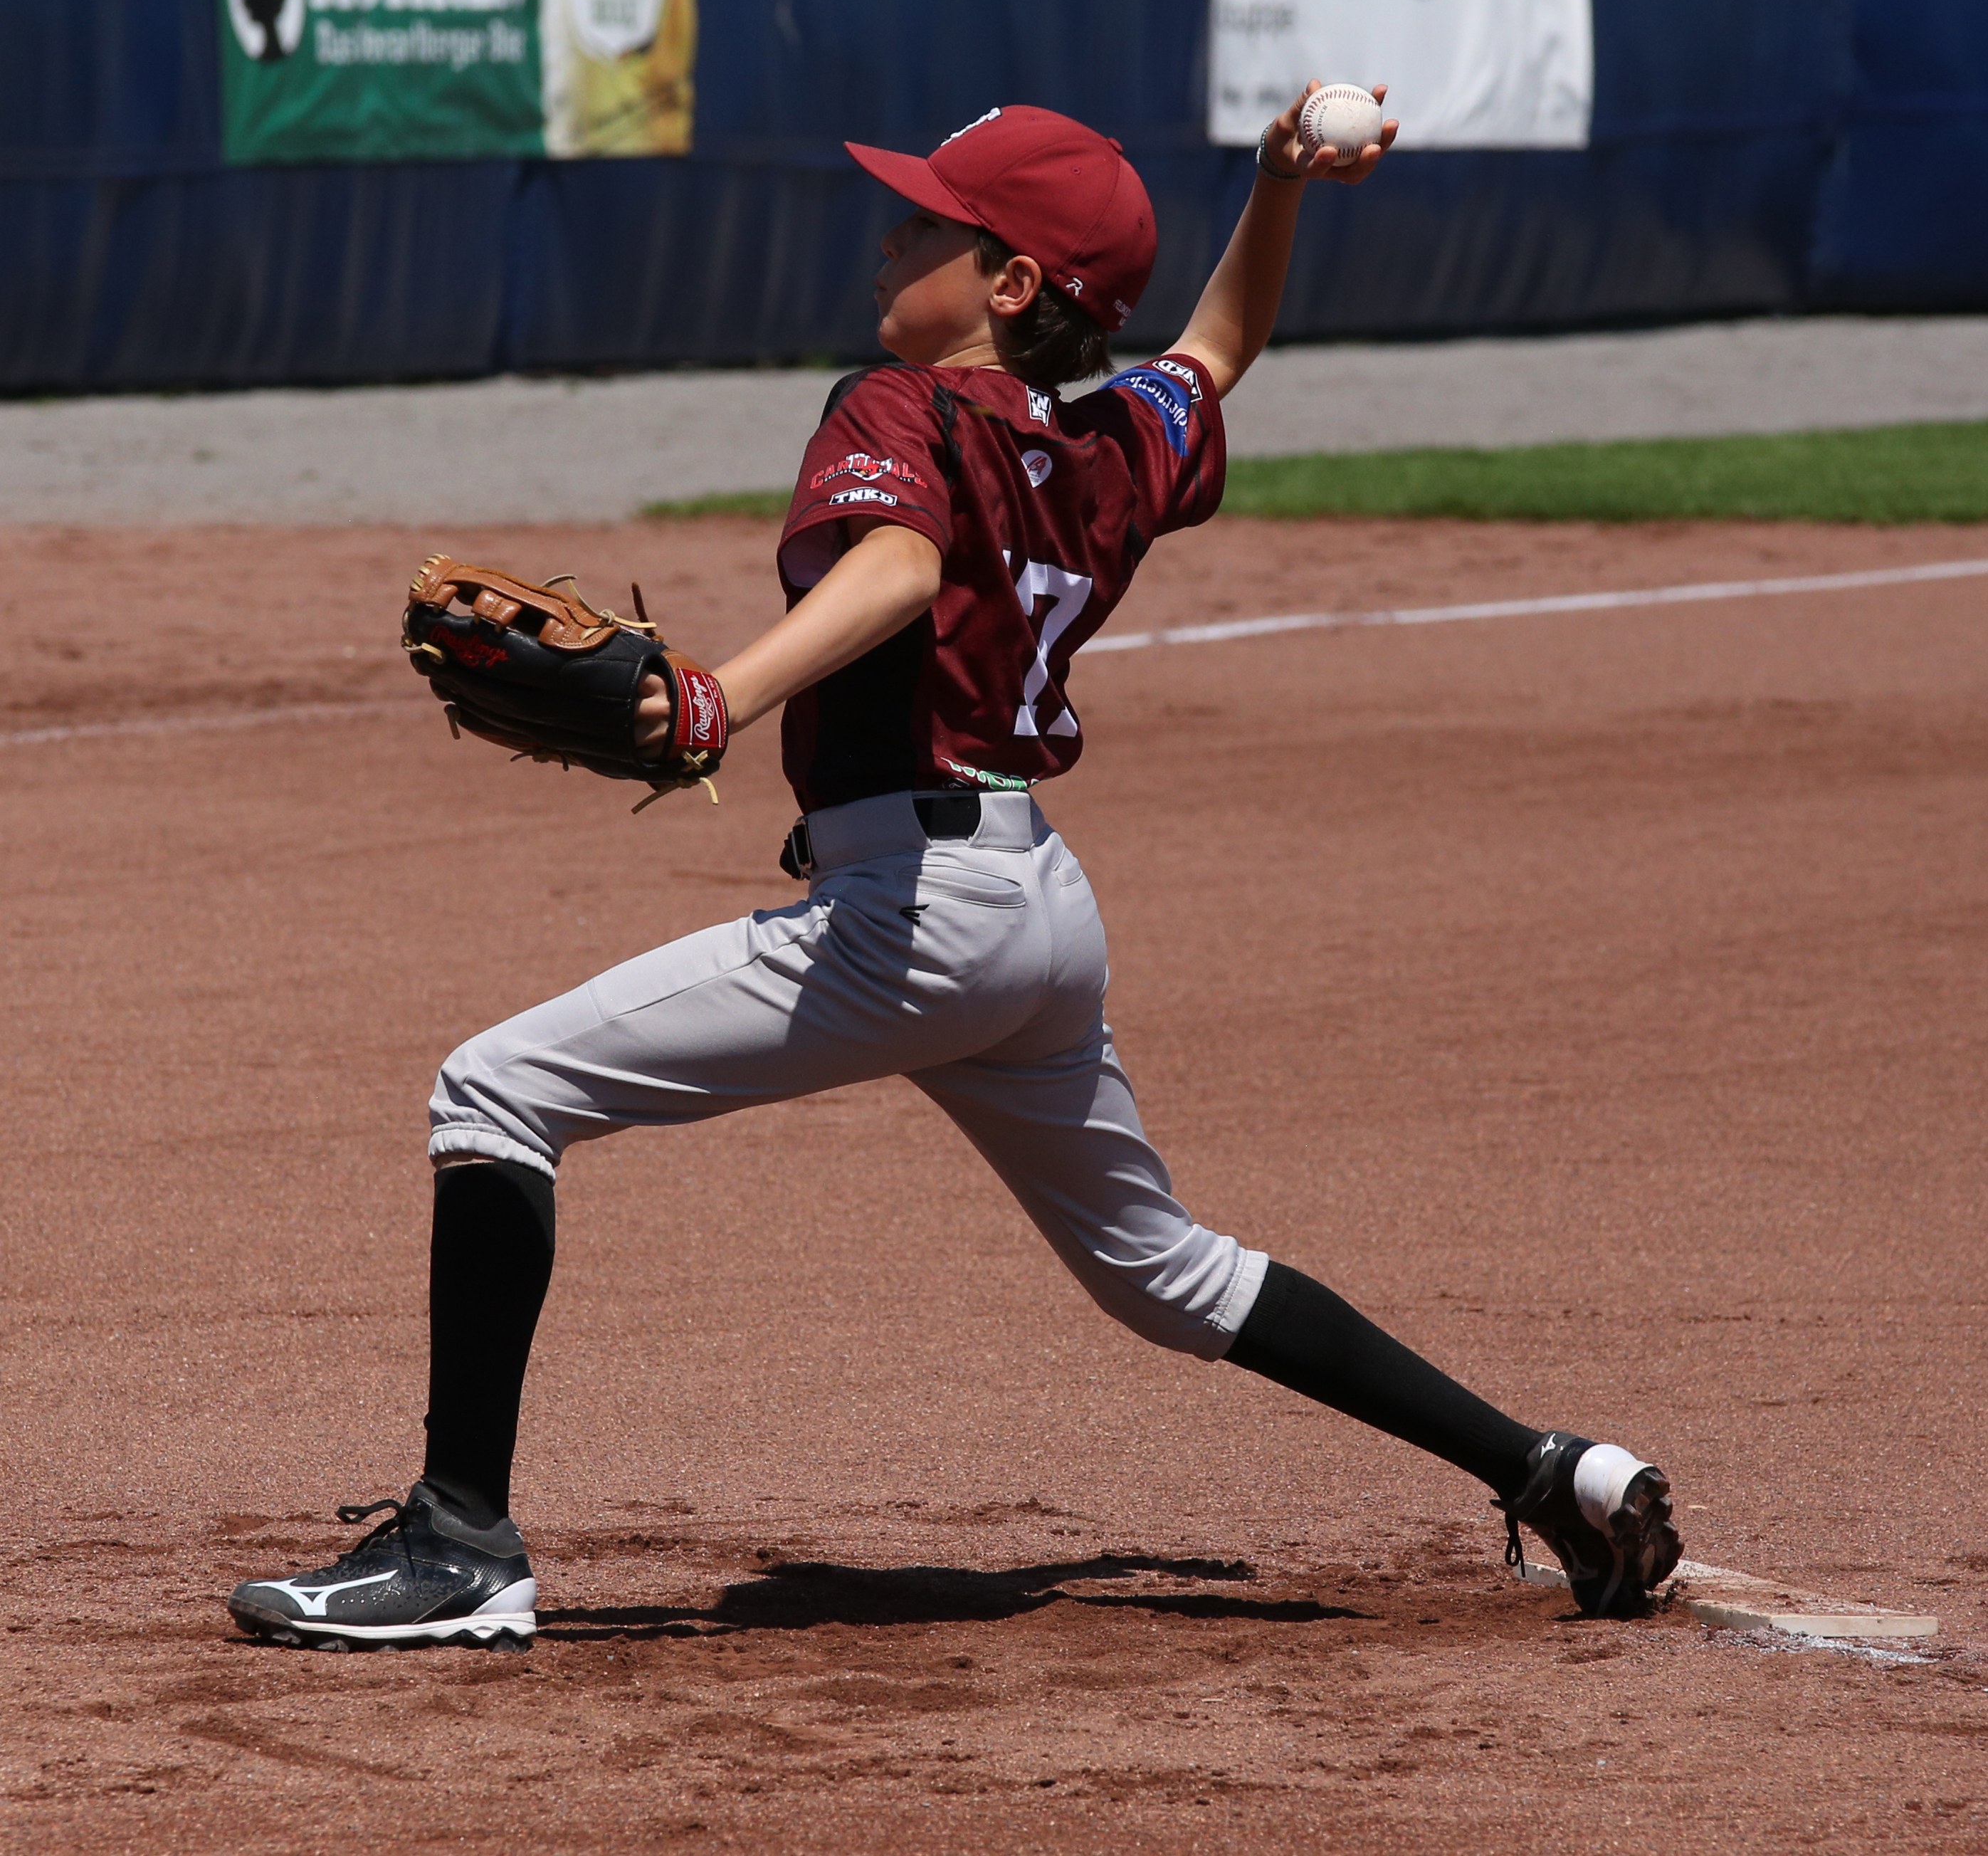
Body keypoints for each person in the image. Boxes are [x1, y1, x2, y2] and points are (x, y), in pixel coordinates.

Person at [228, 87, 1680, 1652]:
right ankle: (1552, 1469)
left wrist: (720, 694)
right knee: (1164, 1273)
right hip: (1035, 913)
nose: (889, 237)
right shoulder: (1107, 446)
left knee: (495, 1091)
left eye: (928, 222)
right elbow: (1214, 350)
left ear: (1011, 282)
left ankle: (460, 1542)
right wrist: (1276, 187)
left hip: (911, 919)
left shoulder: (896, 404)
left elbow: (903, 562)